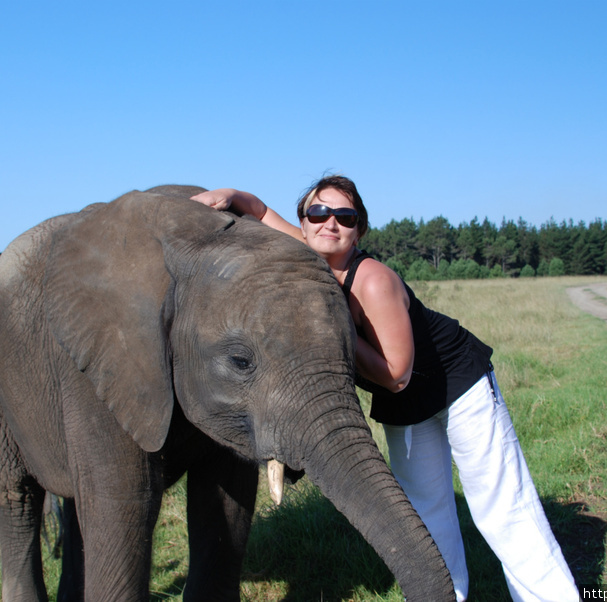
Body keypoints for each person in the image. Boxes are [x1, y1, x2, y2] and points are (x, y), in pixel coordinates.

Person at [191, 176, 580, 602]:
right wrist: (231, 196)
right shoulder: (308, 257)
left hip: (459, 389)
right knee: (426, 515)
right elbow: (262, 212)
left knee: (503, 511)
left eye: (345, 216)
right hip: (406, 407)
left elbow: (396, 374)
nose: (330, 223)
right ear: (302, 225)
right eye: (318, 213)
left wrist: (332, 321)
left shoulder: (372, 280)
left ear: (359, 230)